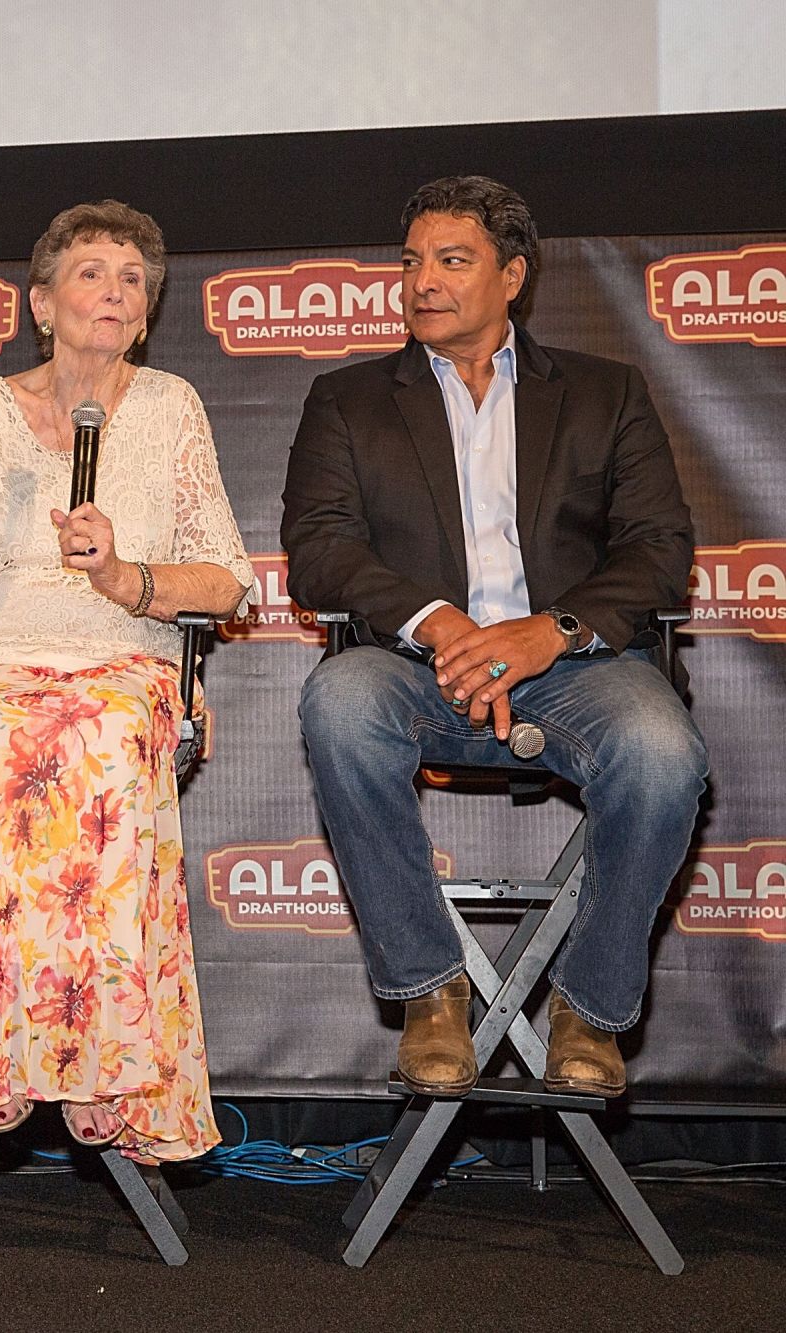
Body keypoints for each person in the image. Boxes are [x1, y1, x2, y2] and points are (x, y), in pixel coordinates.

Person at [282, 175, 707, 1098]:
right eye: (411, 262)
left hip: (573, 669)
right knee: (339, 701)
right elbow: (318, 552)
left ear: (512, 276)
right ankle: (430, 993)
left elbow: (660, 550)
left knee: (664, 748)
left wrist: (550, 632)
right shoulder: (348, 399)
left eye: (452, 260)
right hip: (412, 667)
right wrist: (440, 621)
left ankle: (590, 1008)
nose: (422, 281)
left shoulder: (605, 392)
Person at [0, 201, 252, 1154]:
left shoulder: (171, 407)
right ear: (41, 303)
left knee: (101, 730)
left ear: (146, 313)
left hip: (115, 659)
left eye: (132, 279)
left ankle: (96, 1060)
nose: (114, 291)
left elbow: (225, 578)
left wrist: (125, 577)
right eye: (91, 272)